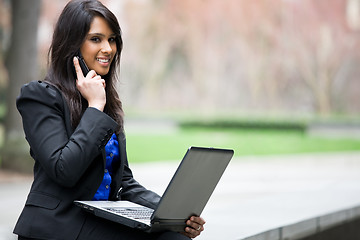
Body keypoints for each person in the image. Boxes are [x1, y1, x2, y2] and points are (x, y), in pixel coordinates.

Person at [14, 0, 205, 239]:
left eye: (112, 39)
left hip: (100, 220)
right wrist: (95, 107)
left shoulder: (107, 102)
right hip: (59, 225)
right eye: (96, 39)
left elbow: (123, 182)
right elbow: (64, 169)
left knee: (174, 236)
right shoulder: (40, 96)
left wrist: (171, 213)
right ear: (72, 44)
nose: (108, 48)